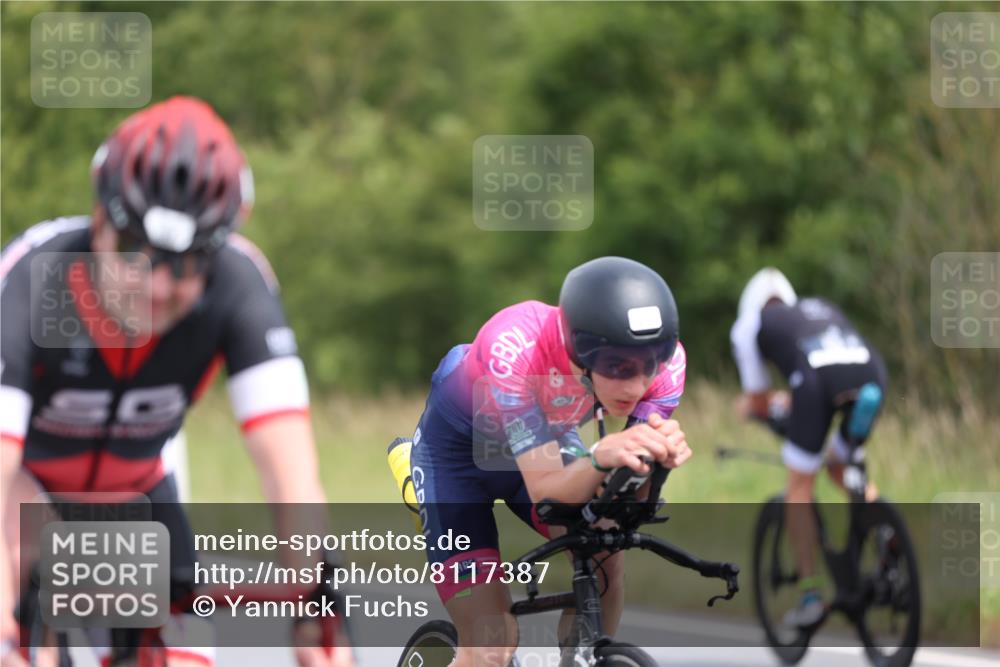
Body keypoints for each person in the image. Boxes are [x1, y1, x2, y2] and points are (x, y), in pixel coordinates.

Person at [0, 97, 353, 667]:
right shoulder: (36, 280)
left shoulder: (239, 285)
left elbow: (293, 480)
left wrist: (313, 609)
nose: (158, 287)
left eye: (188, 265)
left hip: (138, 491)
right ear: (99, 222)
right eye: (137, 253)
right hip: (24, 489)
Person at [405, 256, 692, 666]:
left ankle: (583, 657)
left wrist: (657, 462)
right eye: (618, 366)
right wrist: (598, 456)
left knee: (606, 549)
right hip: (457, 465)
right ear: (581, 348)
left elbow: (629, 502)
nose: (637, 384)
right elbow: (546, 490)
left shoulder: (669, 364)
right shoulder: (514, 347)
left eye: (650, 365)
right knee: (491, 644)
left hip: (544, 439)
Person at [729, 267, 887, 628]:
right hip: (871, 376)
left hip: (817, 384)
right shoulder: (821, 307)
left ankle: (811, 594)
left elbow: (758, 399)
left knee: (799, 487)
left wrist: (752, 409)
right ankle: (887, 535)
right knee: (839, 466)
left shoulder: (749, 325)